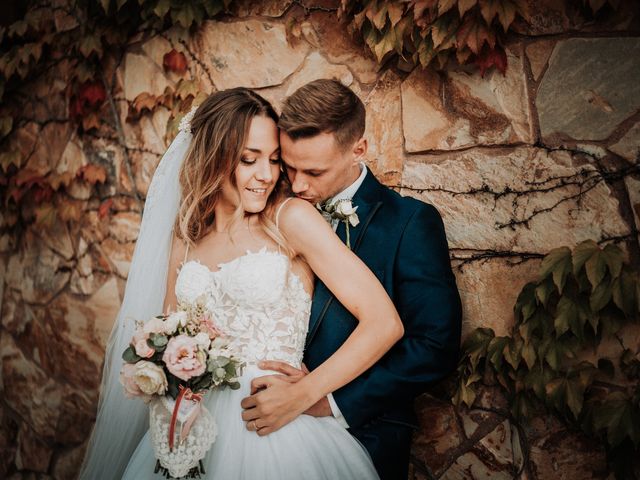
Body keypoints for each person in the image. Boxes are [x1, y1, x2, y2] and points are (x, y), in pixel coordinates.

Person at [79, 87, 405, 479]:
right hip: (192, 430)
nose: (266, 176)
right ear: (214, 158)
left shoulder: (291, 219)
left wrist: (304, 394)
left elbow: (384, 322)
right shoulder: (185, 236)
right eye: (249, 160)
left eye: (272, 160)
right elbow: (169, 333)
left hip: (275, 430)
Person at [241, 79, 462, 480]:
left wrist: (330, 399)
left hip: (361, 433)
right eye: (288, 166)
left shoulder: (409, 222)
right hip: (256, 430)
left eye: (314, 171)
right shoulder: (264, 207)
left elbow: (434, 345)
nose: (298, 184)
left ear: (358, 148)